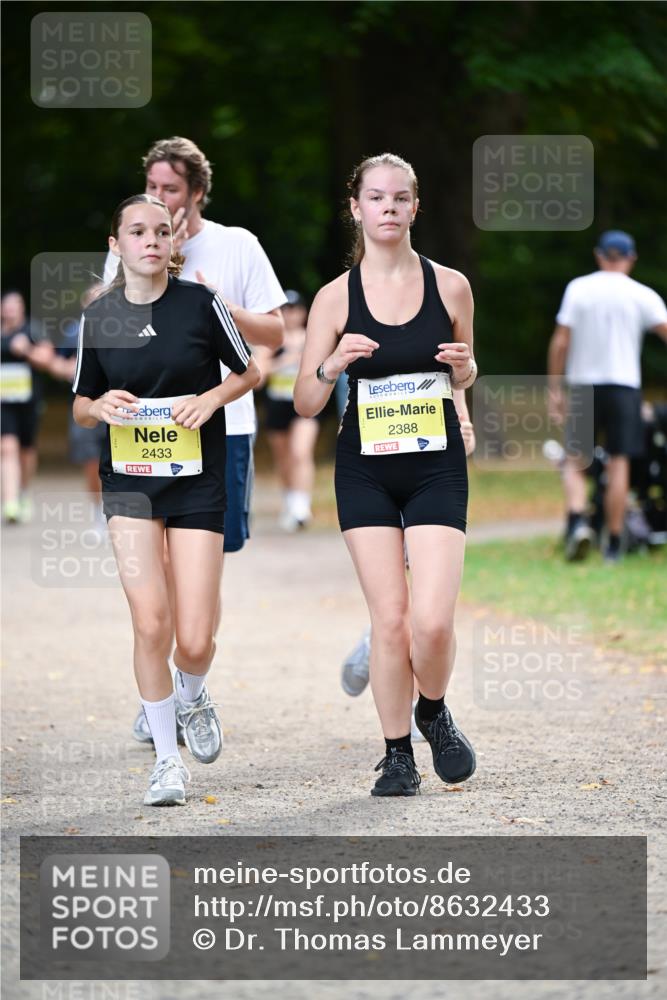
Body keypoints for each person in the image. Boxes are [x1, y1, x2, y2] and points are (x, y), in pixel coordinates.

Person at [294, 153, 478, 797]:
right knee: (391, 620)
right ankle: (397, 752)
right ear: (356, 207)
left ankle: (433, 710)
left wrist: (465, 381)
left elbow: (463, 371)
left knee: (432, 622)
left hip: (436, 468)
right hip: (365, 471)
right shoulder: (333, 298)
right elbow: (305, 402)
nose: (389, 208)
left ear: (415, 207)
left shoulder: (451, 285)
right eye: (376, 198)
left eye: (401, 198)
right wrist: (332, 364)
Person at [74, 194, 260, 805]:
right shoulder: (99, 317)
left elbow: (249, 371)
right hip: (129, 484)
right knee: (150, 620)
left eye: (161, 231)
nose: (150, 240)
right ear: (116, 245)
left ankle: (194, 695)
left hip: (195, 482)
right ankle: (165, 762)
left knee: (197, 638)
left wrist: (211, 401)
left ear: (173, 243)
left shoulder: (201, 305)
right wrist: (99, 407)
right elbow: (81, 400)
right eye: (136, 231)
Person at [102, 137, 286, 742]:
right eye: (152, 188)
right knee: (152, 574)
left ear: (197, 193)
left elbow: (275, 332)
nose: (160, 201)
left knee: (200, 578)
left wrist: (212, 303)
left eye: (171, 190)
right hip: (139, 441)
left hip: (220, 431)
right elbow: (106, 319)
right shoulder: (136, 238)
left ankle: (189, 687)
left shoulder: (236, 245)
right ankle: (159, 686)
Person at [341, 391, 476, 721]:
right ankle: (384, 644)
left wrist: (463, 422)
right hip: (376, 467)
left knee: (429, 598)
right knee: (394, 599)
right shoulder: (355, 341)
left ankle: (419, 697)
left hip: (431, 467)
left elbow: (454, 379)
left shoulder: (437, 340)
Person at [548, 230, 667, 563]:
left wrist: (555, 387)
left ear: (599, 255)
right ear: (631, 258)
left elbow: (560, 342)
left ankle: (576, 523)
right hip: (625, 387)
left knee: (574, 460)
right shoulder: (642, 294)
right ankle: (613, 543)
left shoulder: (579, 289)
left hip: (584, 385)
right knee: (619, 462)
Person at [262, 290, 322, 531]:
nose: (290, 314)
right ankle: (290, 500)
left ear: (303, 312)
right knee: (284, 458)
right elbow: (258, 376)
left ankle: (301, 507)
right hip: (277, 405)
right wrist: (284, 361)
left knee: (301, 452)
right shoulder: (272, 340)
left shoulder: (313, 338)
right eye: (285, 309)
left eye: (295, 309)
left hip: (305, 406)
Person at [1, 291, 51, 523]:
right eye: (7, 305)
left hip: (29, 401)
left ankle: (22, 492)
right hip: (3, 402)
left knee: (27, 451)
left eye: (15, 305)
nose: (11, 309)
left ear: (22, 308)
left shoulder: (33, 329)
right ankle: (10, 503)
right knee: (7, 447)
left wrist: (27, 351)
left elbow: (48, 359)